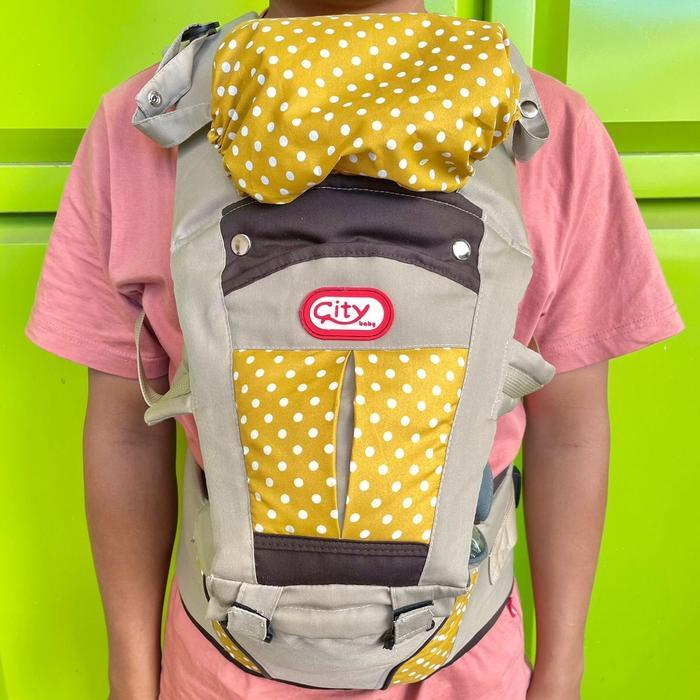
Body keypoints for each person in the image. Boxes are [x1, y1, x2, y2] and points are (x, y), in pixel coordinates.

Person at [24, 0, 684, 698]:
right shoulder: (544, 125)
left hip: (309, 670)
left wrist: (561, 674)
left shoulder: (149, 124)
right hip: (398, 668)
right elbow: (126, 433)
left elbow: (569, 432)